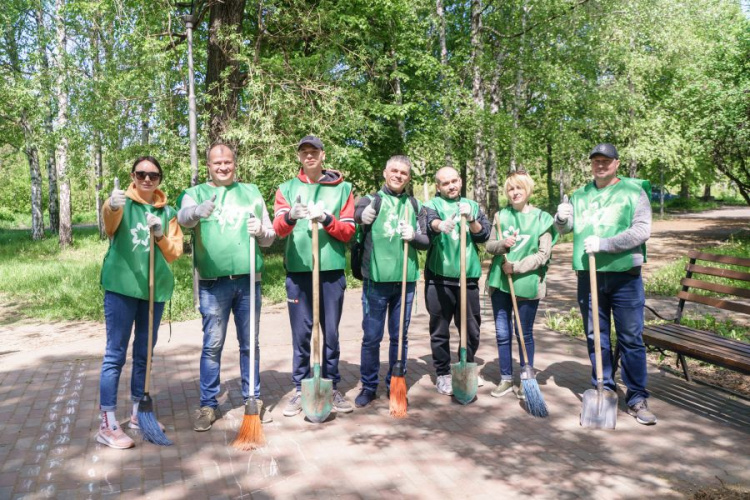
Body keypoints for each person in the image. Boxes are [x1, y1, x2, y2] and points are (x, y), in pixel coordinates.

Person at [554, 143, 656, 425]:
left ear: (617, 163)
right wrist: (561, 218)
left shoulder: (634, 192)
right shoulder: (580, 195)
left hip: (625, 276)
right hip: (589, 275)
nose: (601, 165)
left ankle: (636, 397)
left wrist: (606, 244)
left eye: (606, 160)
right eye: (596, 161)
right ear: (591, 164)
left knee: (631, 338)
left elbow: (642, 230)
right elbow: (566, 229)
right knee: (595, 336)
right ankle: (604, 386)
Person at [177, 142, 276, 432]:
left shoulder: (251, 192)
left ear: (235, 163)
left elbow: (269, 237)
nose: (223, 167)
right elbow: (183, 220)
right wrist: (197, 210)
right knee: (212, 345)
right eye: (217, 163)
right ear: (208, 165)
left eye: (228, 162)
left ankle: (252, 399)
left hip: (248, 282)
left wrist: (260, 232)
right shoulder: (194, 194)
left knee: (250, 344)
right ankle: (208, 404)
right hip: (212, 283)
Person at [98, 156, 184, 449]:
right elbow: (109, 226)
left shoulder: (168, 211)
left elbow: (174, 252)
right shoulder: (121, 202)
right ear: (132, 175)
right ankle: (107, 422)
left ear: (160, 179)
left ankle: (137, 413)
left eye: (153, 175)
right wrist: (111, 206)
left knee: (144, 354)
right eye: (141, 173)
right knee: (115, 354)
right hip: (122, 289)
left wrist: (159, 234)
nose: (147, 179)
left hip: (152, 292)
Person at [273, 135, 356, 416]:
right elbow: (278, 229)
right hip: (298, 271)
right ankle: (300, 388)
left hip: (330, 270)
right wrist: (291, 217)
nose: (309, 156)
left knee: (330, 333)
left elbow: (348, 231)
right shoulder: (286, 189)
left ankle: (331, 386)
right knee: (301, 334)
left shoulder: (342, 189)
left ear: (323, 155)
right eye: (304, 152)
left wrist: (327, 220)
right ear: (299, 157)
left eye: (314, 152)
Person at [352, 155, 429, 407]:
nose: (398, 176)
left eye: (404, 173)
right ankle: (368, 386)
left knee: (400, 337)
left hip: (405, 283)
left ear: (408, 178)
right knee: (372, 337)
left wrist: (415, 236)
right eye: (394, 171)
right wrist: (362, 216)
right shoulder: (371, 199)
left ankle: (396, 381)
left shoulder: (415, 205)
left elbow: (427, 240)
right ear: (385, 173)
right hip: (376, 282)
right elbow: (357, 213)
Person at [485, 170, 557, 400]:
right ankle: (506, 378)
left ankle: (527, 379)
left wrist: (516, 267)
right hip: (500, 282)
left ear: (528, 190)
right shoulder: (500, 216)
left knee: (523, 333)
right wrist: (502, 245)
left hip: (526, 283)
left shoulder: (541, 218)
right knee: (502, 333)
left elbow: (543, 255)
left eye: (519, 188)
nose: (515, 193)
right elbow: (489, 246)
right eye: (511, 189)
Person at [423, 166, 491, 396]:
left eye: (454, 181)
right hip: (439, 278)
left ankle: (467, 365)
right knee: (440, 329)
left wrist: (472, 220)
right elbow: (428, 223)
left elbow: (483, 236)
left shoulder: (472, 206)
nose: (451, 186)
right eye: (445, 183)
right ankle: (443, 373)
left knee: (471, 329)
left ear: (460, 181)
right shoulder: (432, 205)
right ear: (438, 186)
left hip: (468, 277)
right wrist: (439, 225)